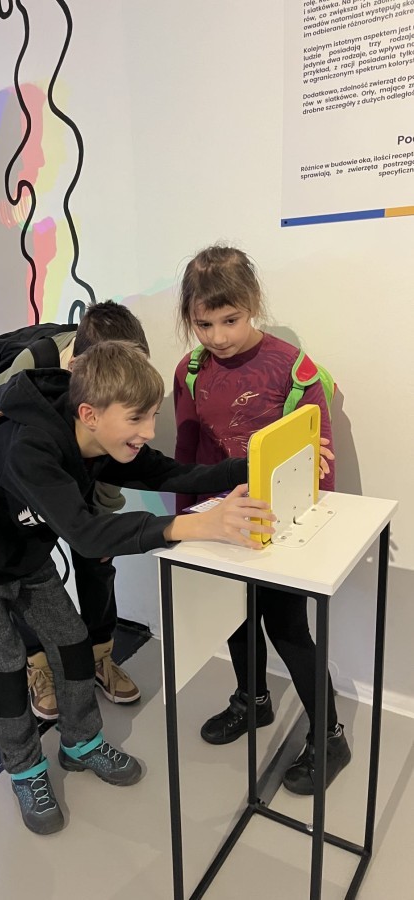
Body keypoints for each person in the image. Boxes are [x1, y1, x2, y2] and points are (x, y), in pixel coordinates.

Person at [0, 340, 275, 834]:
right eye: (137, 419)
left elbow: (171, 472)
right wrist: (196, 525)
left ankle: (81, 743)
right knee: (2, 673)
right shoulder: (31, 447)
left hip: (26, 553)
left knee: (72, 642)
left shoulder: (99, 440)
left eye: (152, 416)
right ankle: (25, 771)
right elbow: (87, 535)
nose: (147, 431)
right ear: (90, 414)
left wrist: (257, 464)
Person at [173, 244, 351, 794]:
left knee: (287, 628)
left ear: (252, 304)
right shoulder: (190, 371)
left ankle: (331, 736)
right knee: (234, 618)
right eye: (204, 324)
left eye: (231, 320)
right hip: (220, 522)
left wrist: (303, 542)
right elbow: (186, 453)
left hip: (280, 528)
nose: (218, 336)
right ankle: (252, 700)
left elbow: (319, 461)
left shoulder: (293, 370)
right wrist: (185, 526)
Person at [0, 301, 151, 720]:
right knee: (26, 569)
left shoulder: (127, 367)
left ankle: (100, 656)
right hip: (25, 484)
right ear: (79, 366)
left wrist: (101, 523)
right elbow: (5, 448)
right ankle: (38, 665)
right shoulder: (29, 368)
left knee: (98, 562)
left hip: (87, 473)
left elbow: (119, 454)